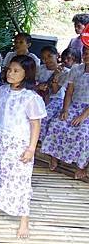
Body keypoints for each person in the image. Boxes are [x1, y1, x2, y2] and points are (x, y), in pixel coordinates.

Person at [0, 55, 46, 239]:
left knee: (21, 179)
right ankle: (0, 197)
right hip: (3, 139)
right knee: (1, 170)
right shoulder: (2, 91)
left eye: (16, 71)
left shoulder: (30, 97)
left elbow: (35, 124)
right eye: (9, 69)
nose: (11, 73)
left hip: (20, 142)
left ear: (27, 74)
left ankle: (24, 220)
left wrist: (31, 148)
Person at [41, 45, 89, 179]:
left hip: (87, 110)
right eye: (85, 53)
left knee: (83, 133)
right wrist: (65, 110)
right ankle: (54, 156)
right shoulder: (76, 69)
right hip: (74, 105)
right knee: (57, 124)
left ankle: (82, 166)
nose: (86, 56)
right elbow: (69, 92)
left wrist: (82, 116)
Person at [36, 46, 69, 141]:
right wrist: (39, 87)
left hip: (56, 99)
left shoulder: (65, 72)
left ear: (57, 56)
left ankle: (40, 140)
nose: (47, 60)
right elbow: (33, 84)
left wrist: (55, 80)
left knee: (44, 117)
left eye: (49, 56)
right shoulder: (40, 69)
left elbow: (55, 91)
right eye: (44, 58)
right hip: (39, 97)